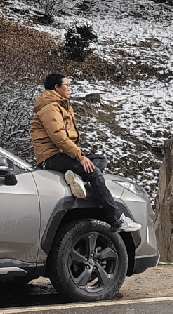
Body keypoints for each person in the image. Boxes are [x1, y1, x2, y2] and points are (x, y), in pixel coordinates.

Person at [30, 72, 141, 233]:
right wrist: (80, 157)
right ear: (56, 87)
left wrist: (80, 158)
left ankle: (76, 176)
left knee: (100, 160)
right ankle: (117, 219)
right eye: (67, 85)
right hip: (51, 156)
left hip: (62, 154)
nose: (69, 88)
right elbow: (59, 138)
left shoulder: (59, 104)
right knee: (93, 172)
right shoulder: (50, 108)